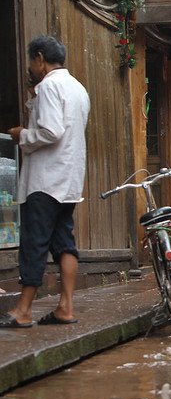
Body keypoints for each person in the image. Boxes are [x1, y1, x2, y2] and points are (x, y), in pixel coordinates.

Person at [2, 36, 90, 328]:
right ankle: (65, 307)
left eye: (31, 61)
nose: (30, 66)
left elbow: (51, 130)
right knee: (64, 243)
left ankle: (23, 310)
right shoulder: (77, 88)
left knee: (34, 244)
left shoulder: (50, 86)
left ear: (39, 58)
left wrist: (21, 135)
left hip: (45, 181)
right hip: (68, 180)